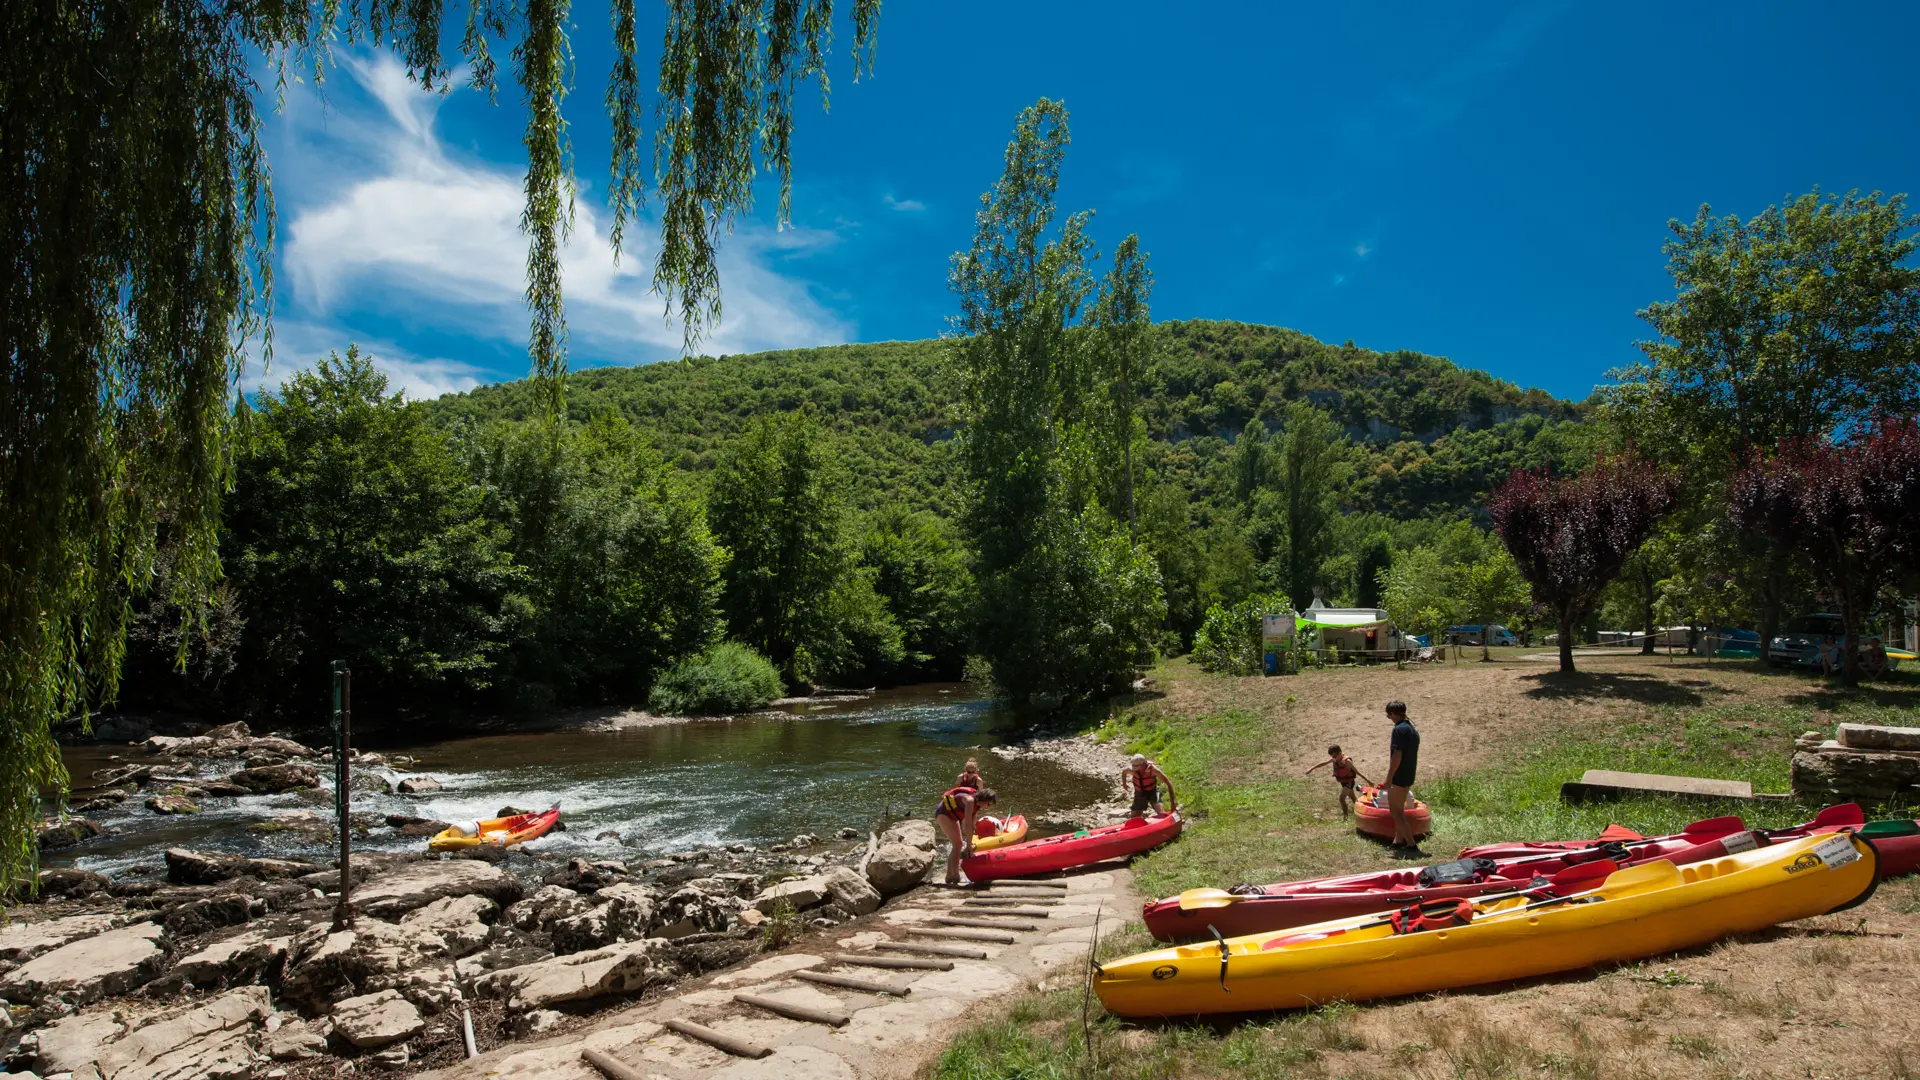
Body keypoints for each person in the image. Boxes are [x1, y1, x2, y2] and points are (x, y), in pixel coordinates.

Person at [933, 784, 997, 884]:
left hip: (952, 816)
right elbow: (967, 823)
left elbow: (971, 825)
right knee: (957, 845)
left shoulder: (977, 804)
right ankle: (954, 877)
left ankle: (950, 877)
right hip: (943, 814)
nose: (988, 807)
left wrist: (970, 843)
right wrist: (969, 846)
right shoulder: (970, 801)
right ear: (985, 799)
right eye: (988, 804)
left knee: (958, 845)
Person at [1384, 701, 1422, 854]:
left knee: (1396, 811)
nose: (1389, 718)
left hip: (1399, 776)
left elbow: (1397, 756)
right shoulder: (1413, 730)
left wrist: (1389, 778)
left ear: (1393, 714)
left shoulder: (1398, 730)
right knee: (1399, 808)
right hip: (1409, 773)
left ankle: (1411, 845)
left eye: (1389, 715)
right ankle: (1398, 841)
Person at [1304, 744, 1371, 817]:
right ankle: (1365, 812)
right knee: (1354, 799)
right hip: (1343, 782)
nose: (1333, 758)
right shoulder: (1335, 759)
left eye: (1334, 756)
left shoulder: (1347, 761)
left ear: (1340, 753)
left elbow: (1357, 772)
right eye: (1332, 756)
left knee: (1341, 799)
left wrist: (1368, 781)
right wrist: (1312, 768)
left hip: (1349, 782)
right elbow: (1324, 763)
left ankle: (1345, 817)